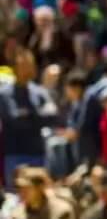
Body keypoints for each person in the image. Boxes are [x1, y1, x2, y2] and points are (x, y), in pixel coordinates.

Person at [0, 49, 58, 190]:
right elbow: (14, 120)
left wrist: (30, 115)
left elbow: (53, 115)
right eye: (23, 65)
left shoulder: (39, 92)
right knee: (16, 198)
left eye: (30, 65)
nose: (27, 69)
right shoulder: (5, 94)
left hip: (38, 153)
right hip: (15, 155)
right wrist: (38, 117)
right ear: (15, 68)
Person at [10, 167, 75, 219]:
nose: (21, 193)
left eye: (27, 188)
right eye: (19, 188)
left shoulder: (61, 211)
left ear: (40, 187)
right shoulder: (17, 214)